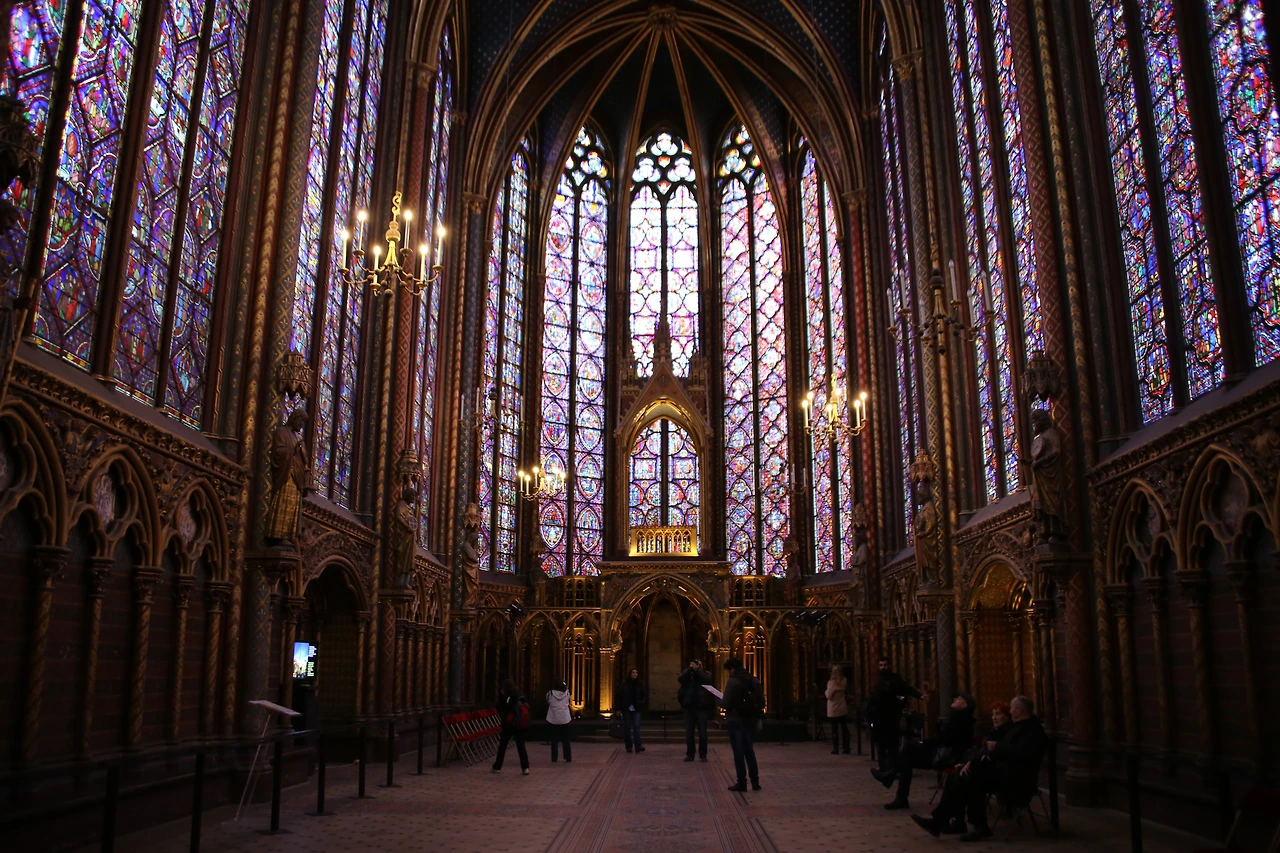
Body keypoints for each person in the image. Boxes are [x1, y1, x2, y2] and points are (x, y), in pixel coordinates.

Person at [912, 695, 1047, 842]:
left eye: (1012, 708)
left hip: (1017, 778)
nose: (1010, 711)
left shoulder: (1032, 730)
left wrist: (998, 747)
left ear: (1019, 710)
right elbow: (993, 749)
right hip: (1003, 771)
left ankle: (976, 826)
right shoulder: (1017, 726)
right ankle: (951, 822)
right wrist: (977, 760)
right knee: (958, 775)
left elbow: (1024, 753)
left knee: (970, 779)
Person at [873, 692, 975, 809]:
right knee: (907, 755)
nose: (955, 698)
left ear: (964, 705)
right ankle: (896, 788)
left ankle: (893, 783)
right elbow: (944, 738)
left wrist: (925, 742)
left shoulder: (960, 719)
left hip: (946, 758)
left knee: (908, 751)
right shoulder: (960, 718)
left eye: (959, 698)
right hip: (943, 753)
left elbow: (945, 739)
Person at [865, 656, 925, 771]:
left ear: (889, 665)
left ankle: (892, 769)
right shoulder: (876, 679)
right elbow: (872, 699)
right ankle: (883, 770)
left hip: (891, 716)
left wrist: (920, 696)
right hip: (878, 717)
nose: (883, 667)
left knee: (892, 745)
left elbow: (907, 688)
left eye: (885, 665)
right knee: (881, 746)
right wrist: (870, 719)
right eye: (881, 665)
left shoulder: (895, 678)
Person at [720, 657, 764, 792]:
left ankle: (742, 782)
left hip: (735, 720)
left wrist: (718, 701)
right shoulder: (754, 680)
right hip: (750, 720)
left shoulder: (733, 682)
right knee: (749, 751)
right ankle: (755, 782)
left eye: (729, 671)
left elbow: (725, 703)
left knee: (738, 752)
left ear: (732, 669)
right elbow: (762, 702)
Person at [492, 678, 531, 775]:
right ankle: (525, 767)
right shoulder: (521, 694)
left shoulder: (507, 696)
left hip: (509, 723)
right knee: (521, 746)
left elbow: (500, 707)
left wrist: (502, 696)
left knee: (503, 745)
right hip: (520, 724)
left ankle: (497, 766)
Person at [678, 659, 713, 762]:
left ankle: (703, 754)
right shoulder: (689, 675)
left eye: (699, 664)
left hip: (701, 708)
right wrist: (690, 669)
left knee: (702, 733)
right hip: (689, 707)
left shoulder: (706, 674)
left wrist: (698, 670)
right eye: (696, 664)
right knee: (689, 733)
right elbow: (680, 679)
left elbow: (706, 680)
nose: (697, 666)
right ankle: (690, 754)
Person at [618, 668, 647, 753]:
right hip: (626, 708)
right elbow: (620, 696)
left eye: (636, 673)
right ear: (630, 674)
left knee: (636, 726)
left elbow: (644, 695)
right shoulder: (625, 684)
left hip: (636, 708)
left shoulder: (640, 684)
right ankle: (629, 746)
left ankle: (638, 746)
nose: (635, 674)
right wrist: (619, 709)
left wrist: (640, 703)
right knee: (627, 727)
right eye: (633, 672)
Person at [825, 663, 851, 755]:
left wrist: (826, 691)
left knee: (834, 729)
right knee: (844, 728)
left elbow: (829, 695)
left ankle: (836, 749)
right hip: (842, 707)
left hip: (833, 708)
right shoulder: (844, 680)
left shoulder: (831, 682)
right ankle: (846, 748)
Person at [546, 679, 573, 763]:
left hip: (553, 719)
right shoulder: (567, 694)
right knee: (566, 740)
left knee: (554, 740)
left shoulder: (550, 694)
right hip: (565, 719)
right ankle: (567, 757)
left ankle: (554, 758)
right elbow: (569, 702)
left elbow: (547, 701)